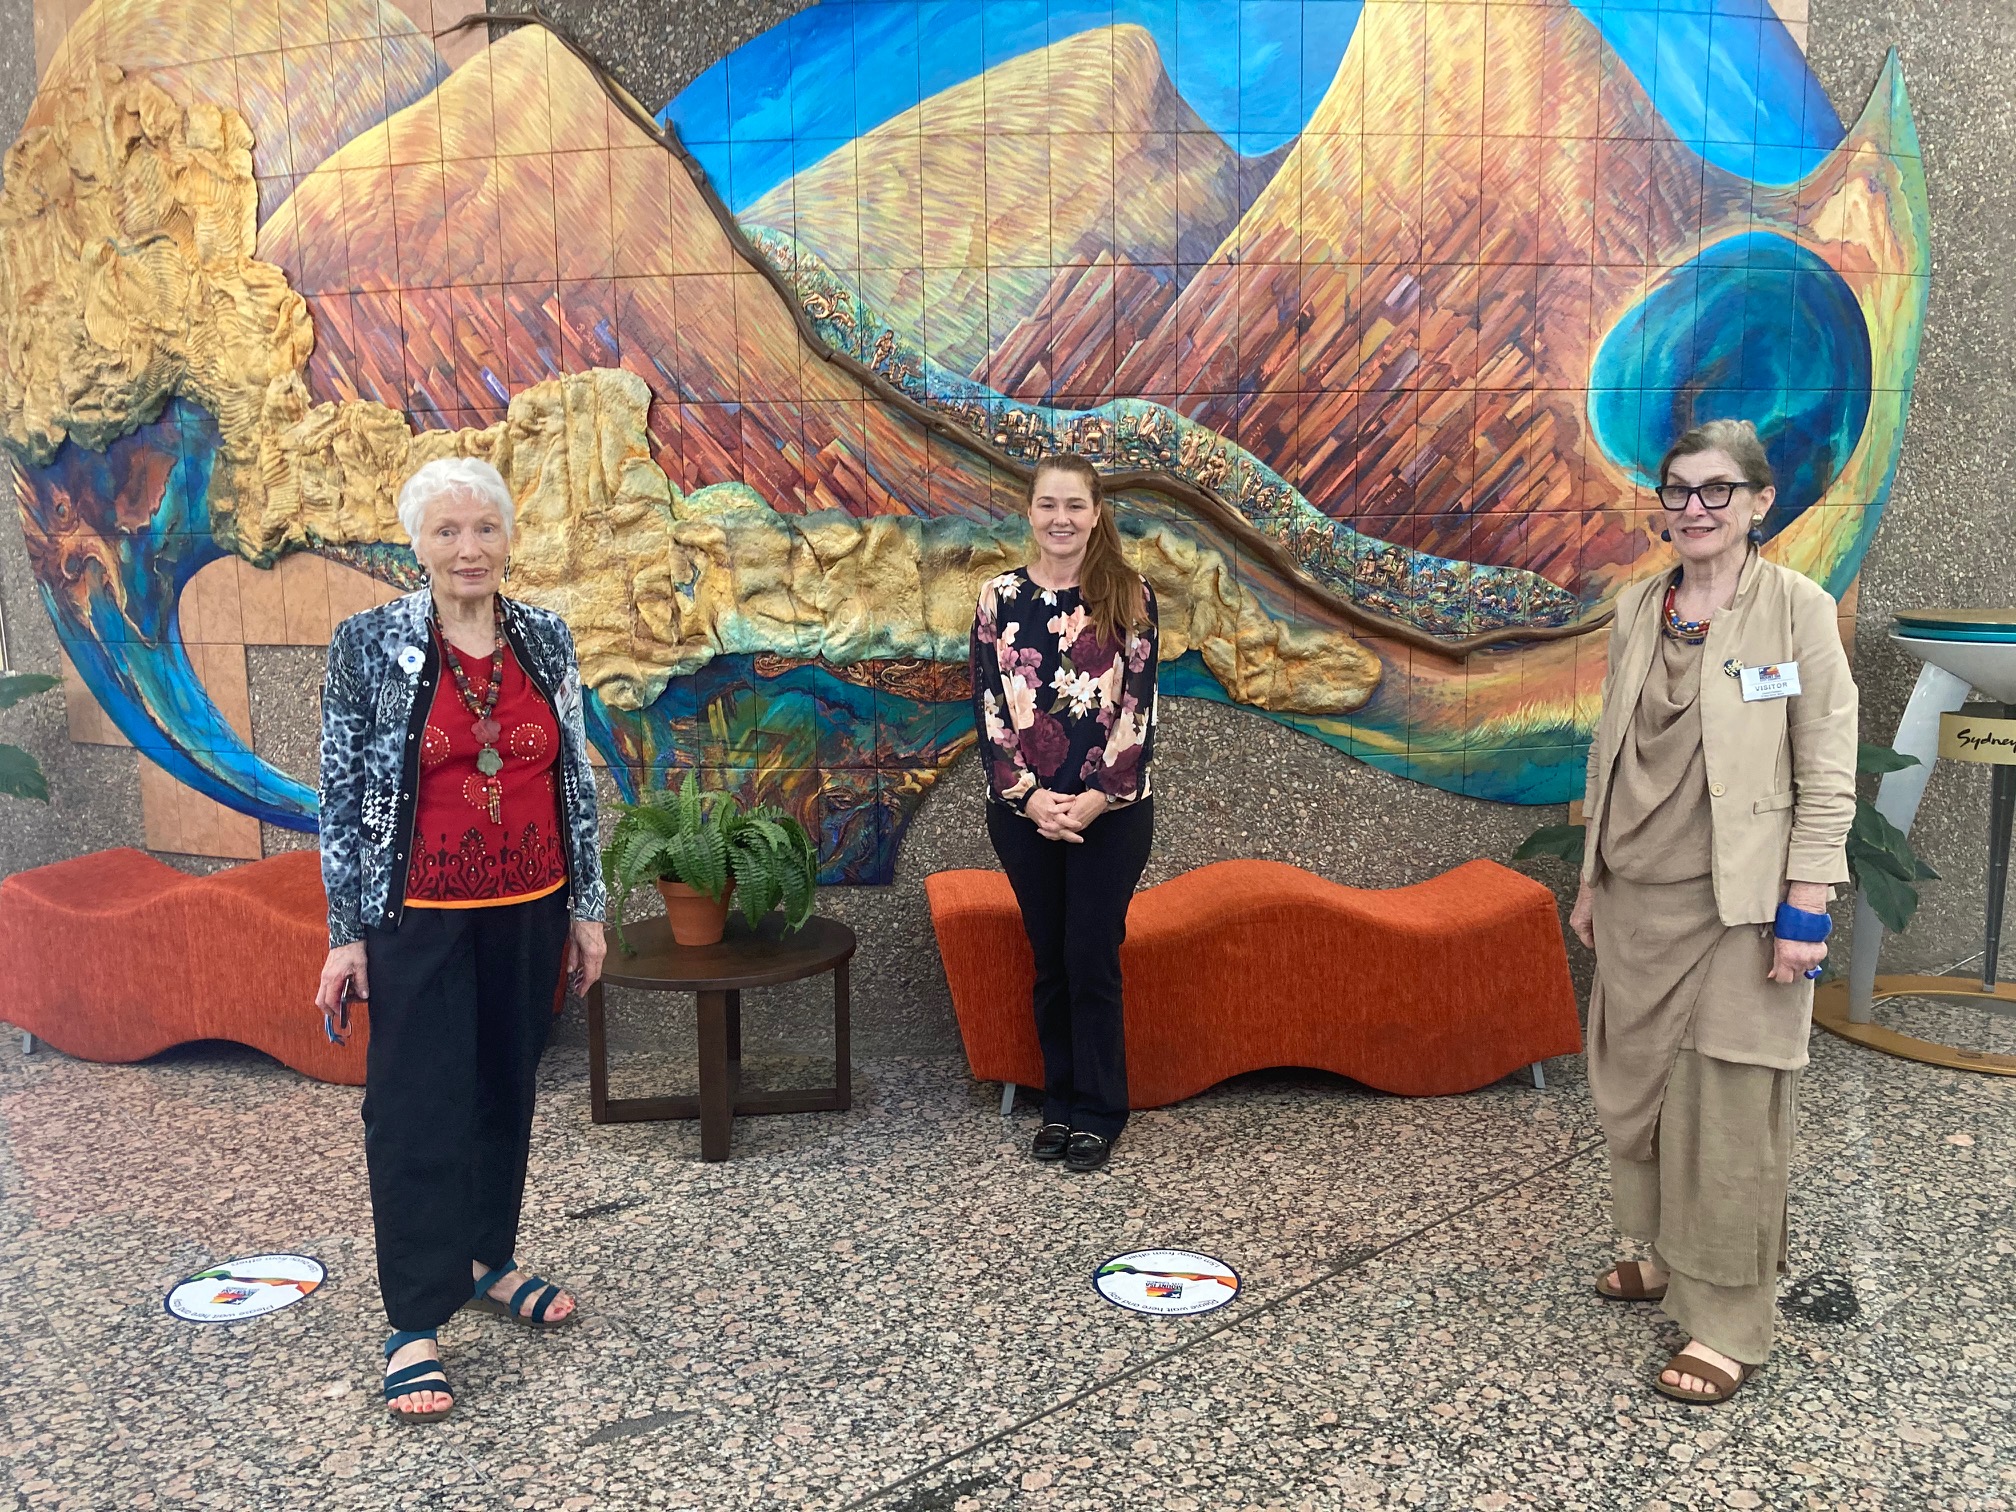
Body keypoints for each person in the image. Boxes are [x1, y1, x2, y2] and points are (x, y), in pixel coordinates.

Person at [315, 456, 608, 1422]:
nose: (468, 548)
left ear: (508, 537)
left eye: (484, 528)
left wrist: (588, 906)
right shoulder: (369, 644)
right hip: (419, 919)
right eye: (447, 531)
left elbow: (575, 782)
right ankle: (412, 1320)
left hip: (530, 906)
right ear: (417, 544)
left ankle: (487, 1257)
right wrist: (346, 933)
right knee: (413, 1106)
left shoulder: (544, 637)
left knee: (502, 1086)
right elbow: (344, 797)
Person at [1571, 419, 1856, 1405]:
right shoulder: (1638, 610)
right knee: (1643, 1099)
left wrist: (1806, 906)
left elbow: (1825, 765)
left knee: (1730, 1108)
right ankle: (1661, 1260)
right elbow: (1609, 751)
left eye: (1717, 490)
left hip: (1743, 904)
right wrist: (1591, 880)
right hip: (1638, 898)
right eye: (1679, 490)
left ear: (1759, 502)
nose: (1695, 508)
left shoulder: (1798, 612)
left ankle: (1728, 1322)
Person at [970, 454, 1159, 1175]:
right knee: (1049, 957)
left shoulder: (1129, 595)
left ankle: (1100, 1112)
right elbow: (989, 707)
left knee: (1090, 954)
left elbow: (1138, 709)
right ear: (1029, 512)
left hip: (1109, 813)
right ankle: (1058, 1103)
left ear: (1096, 511)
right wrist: (1029, 797)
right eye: (1048, 505)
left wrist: (1093, 796)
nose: (1061, 519)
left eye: (1075, 506)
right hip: (1025, 813)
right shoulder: (997, 599)